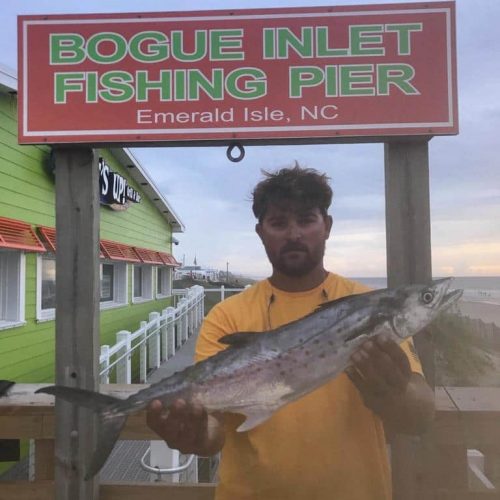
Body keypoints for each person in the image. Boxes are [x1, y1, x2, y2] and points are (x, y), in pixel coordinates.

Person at [147, 164, 435, 500]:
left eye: (306, 219)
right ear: (261, 231)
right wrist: (191, 434)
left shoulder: (368, 309)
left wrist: (395, 390)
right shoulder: (228, 316)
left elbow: (420, 417)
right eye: (279, 222)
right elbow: (214, 434)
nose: (294, 233)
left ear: (326, 226)